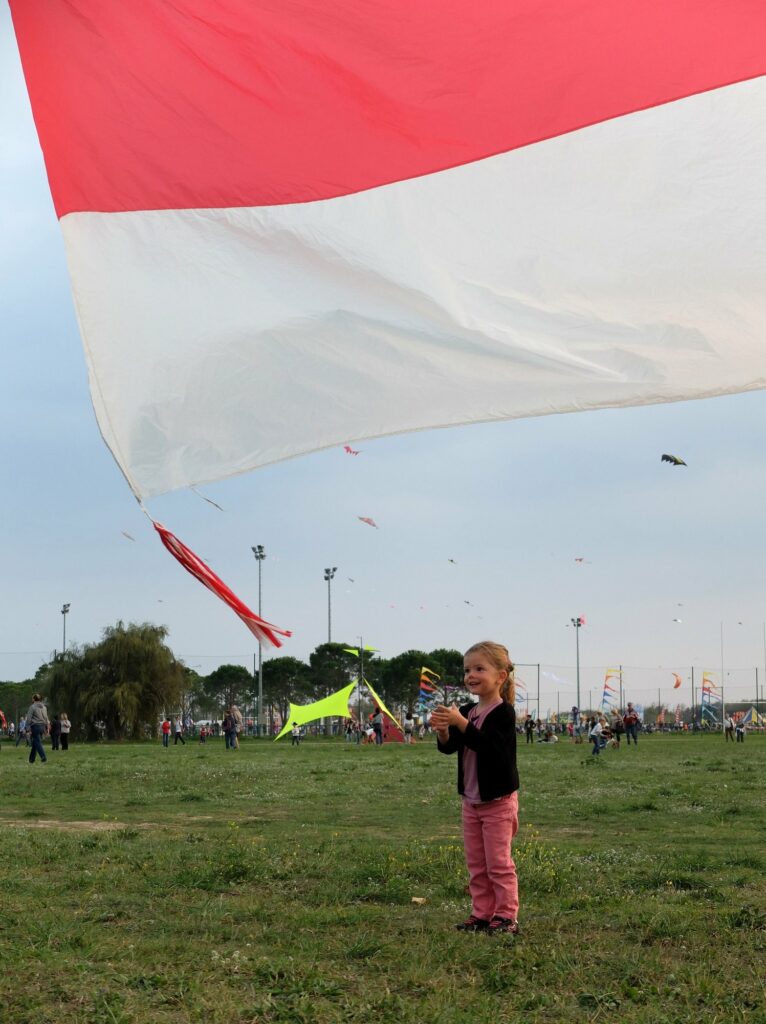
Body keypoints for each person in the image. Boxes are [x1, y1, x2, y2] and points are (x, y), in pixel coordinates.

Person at [432, 641, 520, 935]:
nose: (471, 674)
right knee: (477, 864)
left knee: (498, 864)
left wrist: (459, 721)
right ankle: (482, 914)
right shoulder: (468, 710)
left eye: (480, 668)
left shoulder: (503, 713)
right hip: (471, 802)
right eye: (467, 669)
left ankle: (506, 916)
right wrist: (445, 731)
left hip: (497, 802)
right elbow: (452, 748)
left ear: (500, 676)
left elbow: (489, 748)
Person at [26, 693, 50, 764]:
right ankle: (31, 760)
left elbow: (29, 718)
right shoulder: (44, 707)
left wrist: (27, 728)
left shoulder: (32, 707)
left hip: (35, 726)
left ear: (34, 699)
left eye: (32, 698)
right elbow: (46, 718)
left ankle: (43, 758)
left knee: (37, 742)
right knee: (35, 743)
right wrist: (46, 726)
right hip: (42, 726)